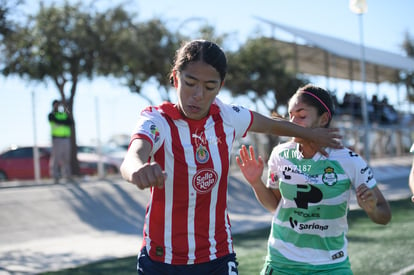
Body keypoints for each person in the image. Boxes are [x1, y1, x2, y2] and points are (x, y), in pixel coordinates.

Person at [120, 40, 342, 275]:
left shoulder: (227, 116)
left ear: (220, 86)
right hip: (161, 260)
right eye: (190, 83)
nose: (198, 95)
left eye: (209, 87)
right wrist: (137, 170)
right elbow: (133, 155)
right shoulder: (157, 121)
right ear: (175, 78)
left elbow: (270, 125)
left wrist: (310, 134)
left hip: (217, 255)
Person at [236, 84, 392, 275]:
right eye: (290, 115)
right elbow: (274, 206)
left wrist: (372, 208)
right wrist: (255, 182)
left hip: (332, 265)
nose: (292, 122)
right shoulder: (280, 154)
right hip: (281, 264)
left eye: (301, 116)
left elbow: (385, 215)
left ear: (323, 119)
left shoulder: (350, 161)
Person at [48, 99, 73, 183]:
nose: (57, 106)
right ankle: (55, 176)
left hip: (65, 138)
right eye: (56, 105)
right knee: (56, 157)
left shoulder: (63, 114)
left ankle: (67, 175)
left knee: (66, 158)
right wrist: (63, 123)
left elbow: (70, 122)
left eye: (58, 105)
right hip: (57, 139)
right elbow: (55, 122)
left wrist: (61, 122)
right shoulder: (51, 115)